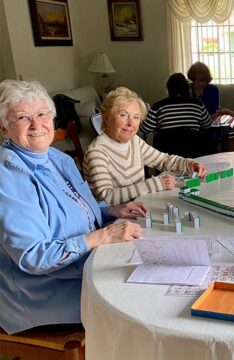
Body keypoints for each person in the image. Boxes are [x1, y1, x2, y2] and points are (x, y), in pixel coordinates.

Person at [0, 80, 147, 334]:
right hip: (45, 296)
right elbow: (34, 257)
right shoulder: (7, 177)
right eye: (23, 117)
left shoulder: (57, 158)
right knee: (142, 304)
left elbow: (77, 210)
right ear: (3, 127)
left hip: (85, 269)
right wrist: (102, 236)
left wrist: (111, 211)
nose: (36, 124)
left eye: (42, 114)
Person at [84, 86, 206, 205]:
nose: (130, 123)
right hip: (116, 219)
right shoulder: (96, 152)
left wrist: (189, 164)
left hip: (141, 206)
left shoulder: (134, 141)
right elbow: (106, 197)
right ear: (106, 117)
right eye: (123, 115)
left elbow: (164, 160)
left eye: (136, 117)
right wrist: (154, 184)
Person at [140, 73, 212, 134]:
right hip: (194, 148)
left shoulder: (158, 106)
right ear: (187, 87)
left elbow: (144, 129)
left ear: (169, 89)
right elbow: (208, 125)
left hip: (166, 148)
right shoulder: (197, 104)